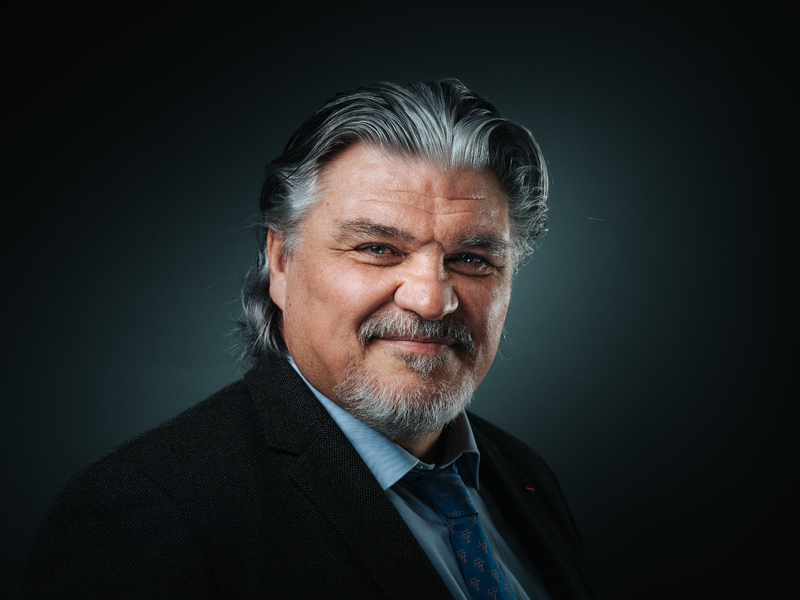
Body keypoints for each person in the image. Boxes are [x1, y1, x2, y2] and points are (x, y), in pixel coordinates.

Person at [20, 80, 598, 599]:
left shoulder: (521, 473)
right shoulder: (150, 514)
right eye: (378, 249)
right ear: (281, 262)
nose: (430, 300)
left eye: (471, 258)